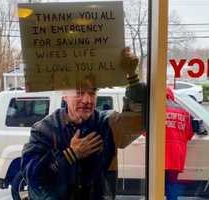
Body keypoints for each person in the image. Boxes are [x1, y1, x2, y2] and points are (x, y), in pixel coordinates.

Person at [18, 48, 146, 200]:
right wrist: (69, 155)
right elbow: (33, 177)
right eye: (79, 92)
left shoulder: (107, 125)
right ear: (64, 94)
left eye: (92, 92)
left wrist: (132, 75)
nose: (87, 100)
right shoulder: (44, 130)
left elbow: (138, 120)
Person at [165, 87, 194, 200]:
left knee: (156, 184)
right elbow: (189, 135)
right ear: (171, 96)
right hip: (176, 155)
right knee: (172, 183)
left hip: (158, 154)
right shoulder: (183, 111)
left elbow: (146, 133)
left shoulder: (154, 110)